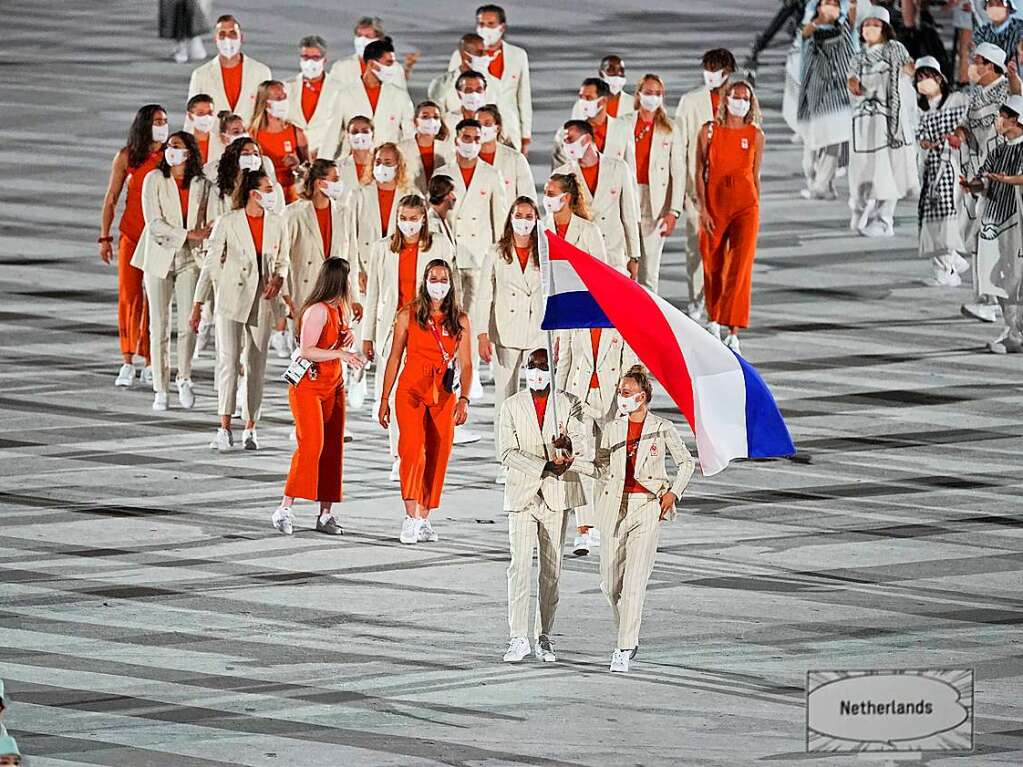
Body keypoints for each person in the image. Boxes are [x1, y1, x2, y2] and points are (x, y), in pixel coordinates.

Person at [577, 365, 695, 674]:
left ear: (642, 397)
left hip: (646, 506)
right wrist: (573, 463)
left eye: (626, 394)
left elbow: (686, 462)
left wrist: (674, 494)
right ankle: (627, 634)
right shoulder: (613, 428)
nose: (621, 398)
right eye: (620, 393)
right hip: (614, 507)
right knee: (610, 584)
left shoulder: (661, 427)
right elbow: (601, 467)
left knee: (633, 583)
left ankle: (624, 646)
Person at [498, 347, 591, 663]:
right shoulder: (511, 405)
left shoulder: (566, 404)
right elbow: (507, 452)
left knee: (551, 573)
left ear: (552, 369)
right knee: (519, 568)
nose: (536, 373)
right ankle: (517, 637)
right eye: (531, 367)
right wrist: (543, 466)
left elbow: (580, 442)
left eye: (542, 367)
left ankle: (544, 636)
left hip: (555, 497)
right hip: (523, 496)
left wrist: (568, 449)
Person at [192, 168, 289, 452]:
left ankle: (250, 426)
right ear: (252, 192)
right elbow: (210, 264)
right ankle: (224, 426)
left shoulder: (278, 222)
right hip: (231, 299)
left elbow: (283, 260)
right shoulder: (229, 221)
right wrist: (198, 305)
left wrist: (279, 278)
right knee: (228, 361)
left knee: (256, 364)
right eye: (267, 189)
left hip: (264, 299)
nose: (272, 194)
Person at [377, 260, 472, 544]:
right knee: (412, 450)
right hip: (411, 391)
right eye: (434, 277)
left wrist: (464, 399)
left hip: (442, 394)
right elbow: (394, 357)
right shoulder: (408, 314)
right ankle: (410, 518)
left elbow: (466, 364)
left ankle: (424, 516)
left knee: (438, 454)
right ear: (425, 280)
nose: (439, 283)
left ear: (451, 283)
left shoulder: (460, 320)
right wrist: (384, 398)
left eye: (444, 279)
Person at [364, 194, 455, 480]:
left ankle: (423, 451)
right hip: (392, 329)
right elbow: (373, 295)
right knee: (393, 395)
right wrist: (367, 336)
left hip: (428, 331)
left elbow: (452, 288)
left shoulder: (439, 244)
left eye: (414, 219)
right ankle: (399, 455)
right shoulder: (382, 249)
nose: (408, 224)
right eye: (403, 218)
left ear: (424, 218)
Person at [273, 259, 364, 536]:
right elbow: (307, 351)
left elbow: (330, 342)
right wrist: (340, 353)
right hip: (308, 387)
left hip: (333, 386)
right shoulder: (317, 311)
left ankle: (325, 514)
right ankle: (285, 507)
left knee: (333, 449)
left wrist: (343, 339)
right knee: (311, 445)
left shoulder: (339, 311)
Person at [136, 131, 216, 411]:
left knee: (188, 324)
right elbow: (153, 224)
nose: (171, 151)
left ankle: (184, 377)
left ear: (190, 153)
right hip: (158, 257)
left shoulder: (202, 184)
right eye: (169, 147)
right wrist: (189, 234)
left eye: (178, 147)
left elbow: (210, 221)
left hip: (191, 259)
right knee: (157, 326)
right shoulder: (154, 180)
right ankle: (161, 387)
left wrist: (199, 239)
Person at [433, 119, 509, 401]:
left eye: (476, 138)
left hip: (478, 255)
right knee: (449, 315)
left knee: (475, 316)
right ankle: (447, 367)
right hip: (450, 255)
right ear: (456, 139)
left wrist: (499, 254)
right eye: (466, 137)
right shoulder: (443, 173)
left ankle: (471, 370)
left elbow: (499, 218)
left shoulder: (491, 175)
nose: (471, 142)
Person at [476, 197, 547, 483]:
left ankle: (532, 458)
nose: (524, 220)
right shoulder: (496, 252)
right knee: (504, 401)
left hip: (536, 333)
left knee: (536, 399)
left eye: (529, 215)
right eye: (519, 215)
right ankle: (505, 459)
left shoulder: (544, 251)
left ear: (536, 219)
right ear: (510, 218)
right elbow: (484, 294)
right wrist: (482, 333)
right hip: (505, 332)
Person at [695, 80, 765, 354]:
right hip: (714, 203)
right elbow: (699, 171)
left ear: (751, 102)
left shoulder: (756, 134)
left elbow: (755, 174)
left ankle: (733, 330)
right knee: (713, 264)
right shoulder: (709, 131)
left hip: (746, 205)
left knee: (740, 266)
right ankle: (713, 319)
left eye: (744, 98)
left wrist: (757, 206)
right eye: (735, 97)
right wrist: (703, 208)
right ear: (725, 100)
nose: (739, 102)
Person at [555, 324, 637, 556]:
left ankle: (601, 523)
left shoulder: (619, 316)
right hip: (578, 398)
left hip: (612, 401)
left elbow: (630, 364)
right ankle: (584, 528)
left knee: (606, 464)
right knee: (581, 461)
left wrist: (628, 401)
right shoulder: (574, 316)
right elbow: (565, 361)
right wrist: (559, 402)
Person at [99, 104, 165, 388]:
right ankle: (127, 360)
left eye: (165, 120)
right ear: (145, 125)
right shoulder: (127, 157)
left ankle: (151, 360)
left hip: (158, 238)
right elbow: (112, 198)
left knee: (155, 299)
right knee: (129, 297)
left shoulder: (169, 156)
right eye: (157, 121)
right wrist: (105, 237)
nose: (163, 125)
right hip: (131, 235)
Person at [675, 48, 737, 317]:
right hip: (697, 187)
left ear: (728, 72)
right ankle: (697, 297)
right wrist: (684, 188)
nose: (711, 75)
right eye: (708, 68)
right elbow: (680, 144)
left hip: (730, 187)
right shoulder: (690, 101)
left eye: (717, 69)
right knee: (696, 247)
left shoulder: (741, 98)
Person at [847, 6, 916, 238]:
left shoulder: (895, 49)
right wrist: (855, 86)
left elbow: (910, 70)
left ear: (885, 28)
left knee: (887, 170)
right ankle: (860, 208)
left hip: (891, 121)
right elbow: (851, 83)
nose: (870, 29)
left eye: (876, 25)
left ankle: (884, 219)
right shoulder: (858, 56)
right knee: (863, 169)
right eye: (867, 25)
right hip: (865, 123)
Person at [961, 94, 1023, 352]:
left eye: (1003, 116)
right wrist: (972, 185)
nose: (998, 120)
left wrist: (1007, 180)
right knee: (997, 277)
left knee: (1017, 279)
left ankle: (1017, 333)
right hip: (993, 222)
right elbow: (984, 178)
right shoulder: (998, 149)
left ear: (1016, 119)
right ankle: (1013, 332)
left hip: (1017, 221)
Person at [957, 42, 1010, 323]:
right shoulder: (977, 94)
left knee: (991, 237)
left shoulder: (1007, 91)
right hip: (976, 172)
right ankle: (985, 298)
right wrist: (961, 133)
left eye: (976, 60)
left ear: (991, 65)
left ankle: (991, 300)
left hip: (999, 175)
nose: (972, 65)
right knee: (976, 236)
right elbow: (968, 125)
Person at [622, 75, 685, 290]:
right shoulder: (624, 123)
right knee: (625, 262)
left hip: (655, 200)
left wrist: (673, 212)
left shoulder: (671, 128)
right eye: (648, 92)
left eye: (657, 94)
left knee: (650, 269)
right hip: (627, 195)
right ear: (639, 95)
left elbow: (678, 172)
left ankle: (648, 321)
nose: (653, 98)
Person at [552, 120, 639, 277]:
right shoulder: (562, 173)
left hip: (614, 254)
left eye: (570, 139)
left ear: (586, 139)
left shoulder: (618, 168)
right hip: (580, 253)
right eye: (564, 141)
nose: (566, 145)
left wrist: (634, 256)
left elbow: (629, 215)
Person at [914, 56, 971, 286]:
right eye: (919, 78)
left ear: (939, 78)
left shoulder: (957, 100)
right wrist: (925, 143)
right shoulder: (921, 110)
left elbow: (969, 124)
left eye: (927, 76)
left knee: (947, 216)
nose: (923, 82)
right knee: (933, 217)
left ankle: (947, 269)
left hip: (953, 166)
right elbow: (918, 136)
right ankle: (953, 262)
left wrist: (957, 136)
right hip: (932, 169)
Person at [446, 4, 533, 153]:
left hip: (508, 127)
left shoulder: (517, 55)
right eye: (481, 24)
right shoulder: (462, 55)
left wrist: (526, 135)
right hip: (473, 129)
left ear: (502, 27)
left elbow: (523, 95)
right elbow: (451, 91)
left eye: (491, 24)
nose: (485, 28)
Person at [316, 38, 415, 159]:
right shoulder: (344, 95)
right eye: (389, 63)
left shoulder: (400, 95)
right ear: (372, 64)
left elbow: (410, 136)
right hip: (352, 165)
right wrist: (320, 166)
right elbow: (330, 136)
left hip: (388, 166)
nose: (393, 68)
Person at [797, 1, 856, 201]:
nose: (831, 6)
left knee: (833, 140)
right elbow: (804, 37)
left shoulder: (845, 30)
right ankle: (818, 181)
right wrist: (819, 21)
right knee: (811, 144)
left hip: (837, 93)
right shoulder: (810, 29)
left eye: (835, 3)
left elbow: (853, 22)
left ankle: (822, 184)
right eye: (826, 2)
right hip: (814, 92)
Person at [283, 159, 358, 313]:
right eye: (335, 180)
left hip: (336, 296)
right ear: (319, 183)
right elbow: (281, 258)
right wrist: (284, 297)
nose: (340, 184)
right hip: (304, 294)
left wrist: (355, 298)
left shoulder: (344, 213)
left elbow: (352, 258)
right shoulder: (293, 214)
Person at [352, 142, 416, 293]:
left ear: (398, 165)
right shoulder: (358, 195)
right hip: (365, 269)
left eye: (387, 163)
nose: (382, 167)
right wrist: (356, 271)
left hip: (399, 269)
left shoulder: (411, 195)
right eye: (378, 162)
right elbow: (349, 236)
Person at [187, 14, 272, 124]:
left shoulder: (261, 72)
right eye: (222, 35)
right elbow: (191, 118)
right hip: (215, 140)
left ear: (241, 38)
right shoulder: (200, 75)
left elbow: (266, 116)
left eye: (232, 34)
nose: (227, 39)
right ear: (215, 39)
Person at [250, 79, 309, 205]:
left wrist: (298, 166)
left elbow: (309, 170)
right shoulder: (252, 135)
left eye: (284, 97)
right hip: (264, 199)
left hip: (292, 199)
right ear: (266, 104)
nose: (283, 102)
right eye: (278, 98)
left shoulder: (296, 132)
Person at [554, 78, 635, 168]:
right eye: (581, 97)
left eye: (589, 98)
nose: (583, 102)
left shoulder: (623, 130)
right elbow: (558, 171)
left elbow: (630, 168)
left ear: (604, 100)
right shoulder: (564, 133)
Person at [328, 16, 413, 92]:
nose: (362, 40)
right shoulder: (341, 67)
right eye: (359, 35)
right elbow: (331, 96)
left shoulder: (394, 69)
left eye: (368, 36)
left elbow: (400, 96)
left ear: (379, 39)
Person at [284, 35, 335, 157]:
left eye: (315, 57)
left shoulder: (339, 89)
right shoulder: (285, 87)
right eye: (305, 57)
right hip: (292, 156)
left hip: (326, 157)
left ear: (324, 60)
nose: (310, 62)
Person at [475, 104, 536, 201]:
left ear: (497, 128)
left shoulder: (515, 159)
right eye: (478, 124)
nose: (481, 128)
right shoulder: (465, 159)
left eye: (487, 124)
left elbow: (528, 195)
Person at [542, 173, 607, 263]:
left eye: (551, 194)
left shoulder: (590, 230)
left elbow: (601, 270)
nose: (546, 198)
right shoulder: (540, 227)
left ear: (567, 197)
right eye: (545, 193)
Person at [398, 100, 455, 195]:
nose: (431, 121)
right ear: (415, 121)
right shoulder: (401, 149)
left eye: (436, 117)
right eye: (425, 117)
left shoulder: (448, 149)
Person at [429, 33, 488, 113]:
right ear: (464, 54)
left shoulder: (495, 82)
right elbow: (437, 116)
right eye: (479, 52)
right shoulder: (442, 83)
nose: (486, 56)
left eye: (486, 52)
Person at [571, 56, 634, 120]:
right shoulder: (583, 104)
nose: (617, 74)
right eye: (611, 70)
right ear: (601, 73)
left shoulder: (633, 103)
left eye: (621, 70)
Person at [975, 1, 1023, 71]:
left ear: (1008, 7)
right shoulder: (982, 32)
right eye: (991, 4)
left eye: (998, 4)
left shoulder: (1019, 28)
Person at [338, 115, 375, 187]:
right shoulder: (337, 167)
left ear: (372, 135)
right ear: (348, 137)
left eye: (365, 131)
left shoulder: (383, 167)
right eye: (355, 132)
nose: (360, 135)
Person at [183, 93, 217, 164]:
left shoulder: (221, 143)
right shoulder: (182, 142)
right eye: (201, 113)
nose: (207, 117)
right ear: (190, 116)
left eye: (210, 113)